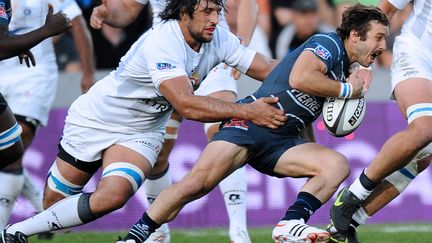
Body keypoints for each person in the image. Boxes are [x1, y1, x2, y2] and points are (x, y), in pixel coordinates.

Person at [0, 0, 286, 242]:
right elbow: (186, 105)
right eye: (208, 12)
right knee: (54, 206)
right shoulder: (164, 41)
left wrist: (311, 74)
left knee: (114, 195)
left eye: (217, 11)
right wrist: (249, 111)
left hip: (143, 129)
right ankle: (20, 220)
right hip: (97, 118)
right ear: (185, 12)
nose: (217, 19)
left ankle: (13, 233)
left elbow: (267, 68)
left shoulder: (218, 38)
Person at [116, 4, 389, 243]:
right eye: (378, 37)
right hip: (252, 122)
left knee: (336, 165)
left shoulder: (342, 69)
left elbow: (303, 109)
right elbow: (300, 79)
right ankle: (135, 236)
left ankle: (290, 224)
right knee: (197, 184)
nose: (382, 46)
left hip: (282, 139)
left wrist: (311, 152)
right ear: (355, 35)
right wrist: (346, 91)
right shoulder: (327, 44)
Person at [91, 0, 258, 242]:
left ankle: (239, 232)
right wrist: (108, 13)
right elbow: (129, 8)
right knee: (157, 153)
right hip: (166, 56)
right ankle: (158, 234)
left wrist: (241, 42)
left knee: (227, 133)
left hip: (212, 50)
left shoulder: (217, 35)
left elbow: (247, 3)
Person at [329, 0, 432, 242]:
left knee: (423, 156)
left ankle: (345, 225)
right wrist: (365, 63)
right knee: (425, 128)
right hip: (418, 53)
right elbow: (385, 10)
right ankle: (352, 195)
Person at [0, 0, 95, 237]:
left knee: (14, 146)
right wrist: (43, 32)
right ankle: (41, 206)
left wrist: (88, 74)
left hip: (35, 74)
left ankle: (2, 229)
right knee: (9, 152)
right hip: (4, 66)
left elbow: (77, 24)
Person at [0, 0, 70, 170]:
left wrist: (17, 45)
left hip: (31, 77)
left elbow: (2, 39)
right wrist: (46, 31)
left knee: (12, 148)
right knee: (12, 149)